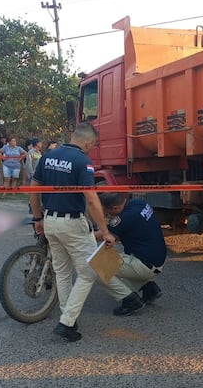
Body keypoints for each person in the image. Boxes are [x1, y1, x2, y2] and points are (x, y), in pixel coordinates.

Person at [30, 122, 116, 342]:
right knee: (89, 273)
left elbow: (33, 187)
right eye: (93, 145)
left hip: (50, 220)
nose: (92, 149)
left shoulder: (48, 156)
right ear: (87, 142)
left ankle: (68, 317)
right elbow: (91, 198)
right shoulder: (83, 161)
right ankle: (67, 322)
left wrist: (38, 218)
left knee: (63, 271)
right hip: (72, 224)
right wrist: (105, 230)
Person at [96, 192, 167, 313]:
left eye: (107, 212)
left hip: (145, 265)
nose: (107, 215)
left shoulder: (124, 218)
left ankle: (130, 300)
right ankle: (149, 289)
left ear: (115, 208)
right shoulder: (139, 203)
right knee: (120, 258)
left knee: (97, 267)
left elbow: (101, 236)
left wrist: (76, 236)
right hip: (155, 259)